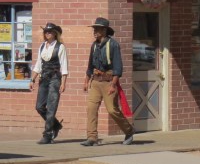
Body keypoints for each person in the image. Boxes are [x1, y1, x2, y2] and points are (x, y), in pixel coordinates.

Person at [81, 17, 135, 146]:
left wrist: (113, 85)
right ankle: (92, 138)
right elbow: (90, 66)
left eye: (98, 29)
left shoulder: (113, 45)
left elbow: (118, 68)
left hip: (109, 82)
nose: (95, 31)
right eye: (94, 29)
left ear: (105, 30)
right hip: (95, 82)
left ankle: (129, 130)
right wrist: (86, 81)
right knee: (91, 108)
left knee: (112, 110)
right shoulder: (94, 45)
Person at [30, 22, 68, 144]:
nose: (47, 33)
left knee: (51, 107)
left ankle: (47, 134)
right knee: (39, 107)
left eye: (50, 31)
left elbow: (64, 66)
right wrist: (32, 79)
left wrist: (63, 83)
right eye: (46, 31)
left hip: (55, 79)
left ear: (55, 33)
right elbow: (38, 64)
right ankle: (56, 125)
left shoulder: (60, 47)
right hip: (43, 79)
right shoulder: (42, 46)